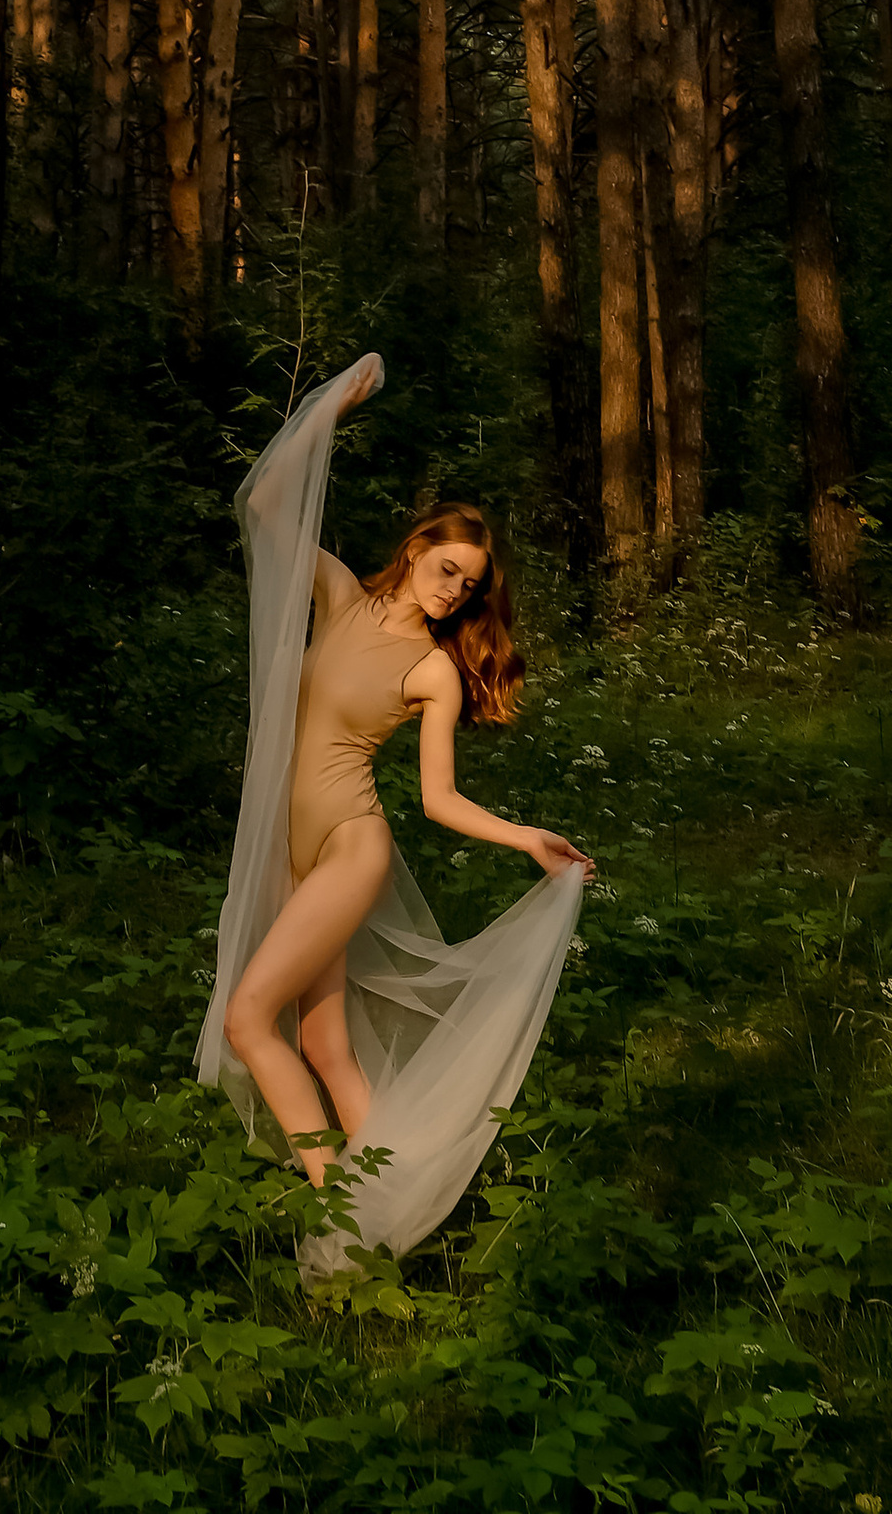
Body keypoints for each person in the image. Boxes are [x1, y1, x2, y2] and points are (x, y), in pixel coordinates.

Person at [195, 351, 593, 1265]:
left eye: (469, 586)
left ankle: (342, 1222)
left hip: (349, 847)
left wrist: (528, 838)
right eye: (448, 568)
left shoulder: (434, 673)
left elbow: (439, 799)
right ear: (416, 549)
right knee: (325, 1045)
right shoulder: (339, 601)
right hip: (302, 853)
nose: (455, 591)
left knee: (247, 1018)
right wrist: (331, 407)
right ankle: (395, 1222)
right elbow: (262, 508)